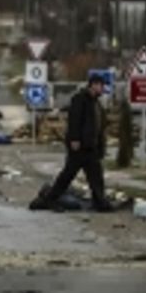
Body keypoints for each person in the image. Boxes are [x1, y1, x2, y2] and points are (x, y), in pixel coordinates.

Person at [31, 74, 112, 212]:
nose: (102, 88)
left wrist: (100, 146)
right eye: (100, 85)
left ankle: (100, 202)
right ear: (93, 85)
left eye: (102, 86)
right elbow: (74, 120)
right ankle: (49, 199)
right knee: (67, 175)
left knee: (96, 176)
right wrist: (75, 139)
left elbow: (99, 127)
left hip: (91, 147)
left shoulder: (96, 103)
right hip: (79, 147)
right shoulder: (80, 99)